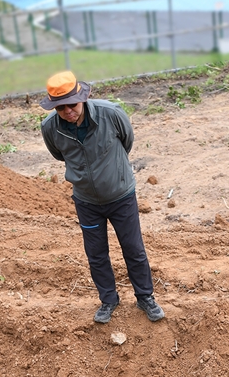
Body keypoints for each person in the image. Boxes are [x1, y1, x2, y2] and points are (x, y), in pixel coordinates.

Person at [39, 70, 164, 326]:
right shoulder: (50, 128)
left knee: (134, 249)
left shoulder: (111, 113)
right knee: (96, 254)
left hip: (121, 195)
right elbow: (59, 155)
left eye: (72, 105)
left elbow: (127, 141)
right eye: (60, 108)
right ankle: (108, 300)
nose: (68, 111)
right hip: (86, 201)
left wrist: (112, 173)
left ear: (82, 98)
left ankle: (145, 297)